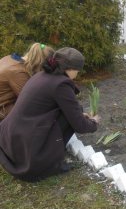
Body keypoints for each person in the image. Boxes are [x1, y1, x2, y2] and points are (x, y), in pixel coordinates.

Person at [0, 47, 100, 182]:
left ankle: (43, 154)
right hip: (25, 150)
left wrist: (79, 115)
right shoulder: (61, 84)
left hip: (11, 140)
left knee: (71, 112)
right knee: (69, 117)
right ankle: (47, 163)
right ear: (70, 69)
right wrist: (94, 122)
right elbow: (80, 126)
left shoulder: (41, 75)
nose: (77, 73)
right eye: (77, 70)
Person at [0, 42, 54, 120]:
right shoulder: (18, 72)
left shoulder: (9, 58)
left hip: (5, 103)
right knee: (36, 116)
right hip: (2, 109)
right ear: (41, 63)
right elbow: (30, 100)